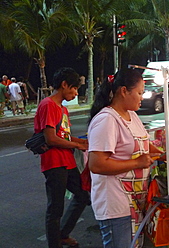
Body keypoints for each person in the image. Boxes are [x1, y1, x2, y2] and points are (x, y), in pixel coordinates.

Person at [87, 68, 169, 248]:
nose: (142, 97)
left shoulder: (132, 115)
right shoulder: (107, 119)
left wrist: (165, 156)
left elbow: (144, 145)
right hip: (115, 204)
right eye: (140, 92)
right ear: (124, 91)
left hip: (135, 200)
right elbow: (97, 164)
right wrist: (137, 163)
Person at [34, 67, 90, 248]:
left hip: (67, 162)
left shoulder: (62, 109)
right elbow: (51, 138)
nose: (75, 93)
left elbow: (64, 136)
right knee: (55, 208)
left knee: (83, 195)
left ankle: (63, 234)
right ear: (64, 85)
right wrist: (76, 145)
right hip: (54, 163)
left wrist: (83, 143)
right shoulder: (48, 105)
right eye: (74, 89)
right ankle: (55, 243)